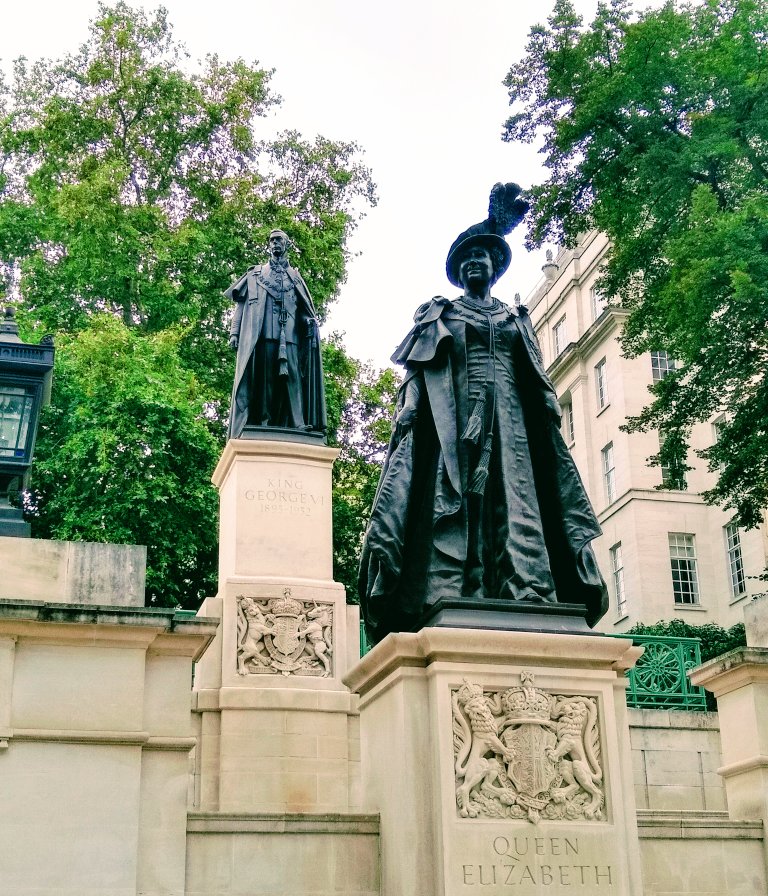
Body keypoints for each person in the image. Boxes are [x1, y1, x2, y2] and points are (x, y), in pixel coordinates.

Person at [359, 184, 608, 644]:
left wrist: (548, 403)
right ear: (459, 271)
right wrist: (412, 405)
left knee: (516, 499)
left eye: (483, 256)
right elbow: (419, 368)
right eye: (467, 258)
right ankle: (457, 585)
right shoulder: (442, 312)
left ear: (494, 267)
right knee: (459, 499)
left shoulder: (514, 317)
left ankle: (526, 587)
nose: (476, 262)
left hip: (512, 421)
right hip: (455, 420)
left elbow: (533, 371)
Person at [226, 229, 326, 438]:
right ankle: (264, 420)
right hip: (263, 337)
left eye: (279, 240)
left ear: (287, 244)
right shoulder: (255, 275)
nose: (275, 243)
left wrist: (309, 322)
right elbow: (241, 308)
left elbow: (302, 311)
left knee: (293, 380)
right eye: (272, 240)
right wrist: (234, 333)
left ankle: (298, 423)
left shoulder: (295, 278)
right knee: (266, 380)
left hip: (290, 338)